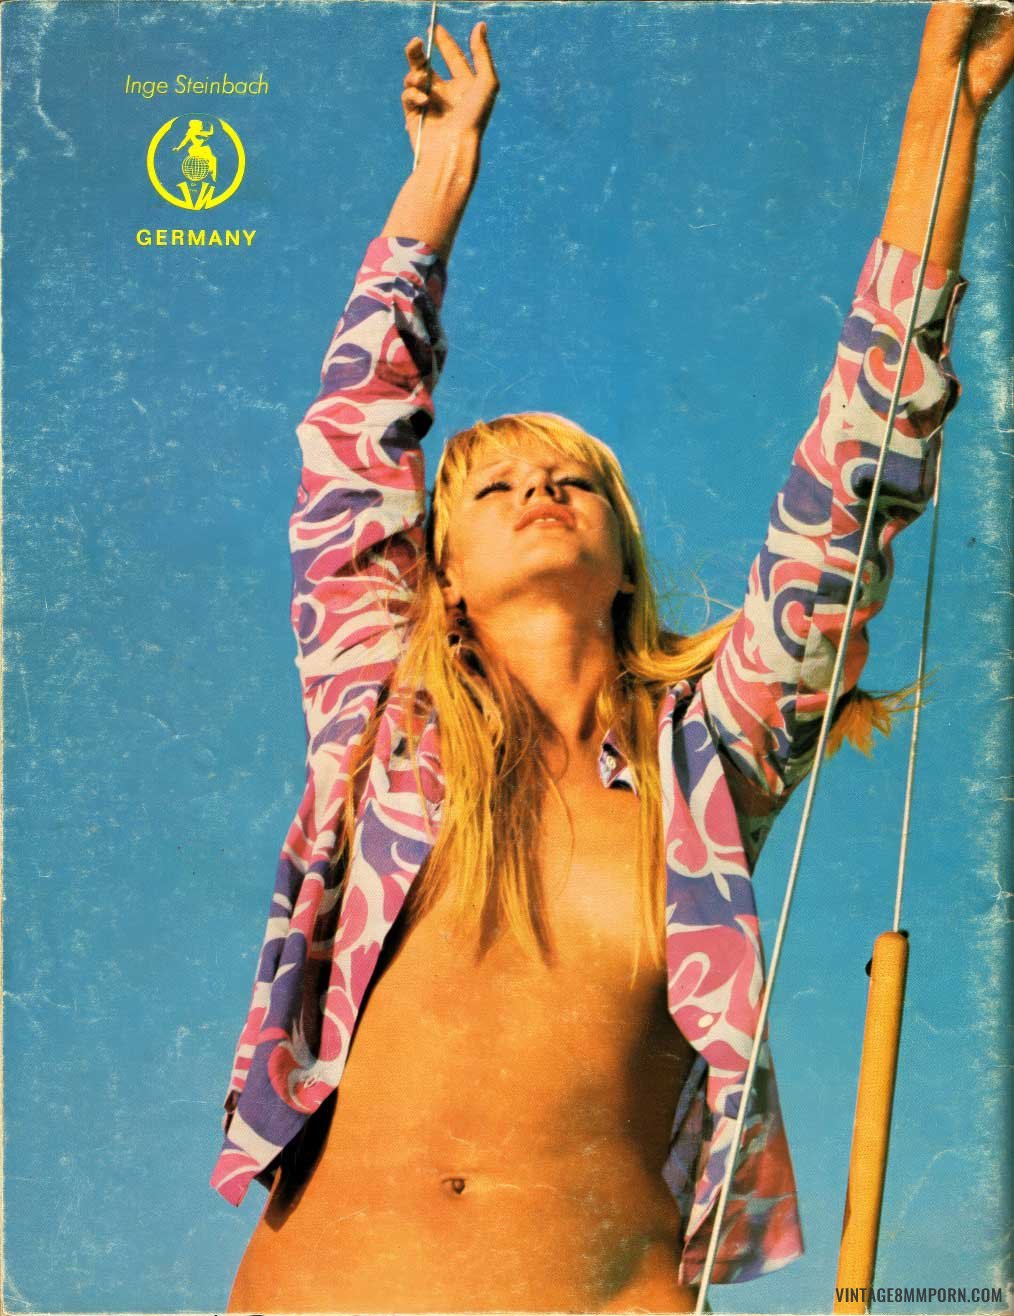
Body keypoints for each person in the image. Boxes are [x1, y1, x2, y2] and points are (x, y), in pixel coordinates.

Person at [213, 6, 1013, 1311]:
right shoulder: (382, 717)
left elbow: (858, 470)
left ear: (626, 554)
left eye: (571, 479)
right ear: (437, 572)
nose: (537, 488)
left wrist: (946, 107)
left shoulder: (714, 754)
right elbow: (354, 432)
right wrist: (440, 170)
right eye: (491, 487)